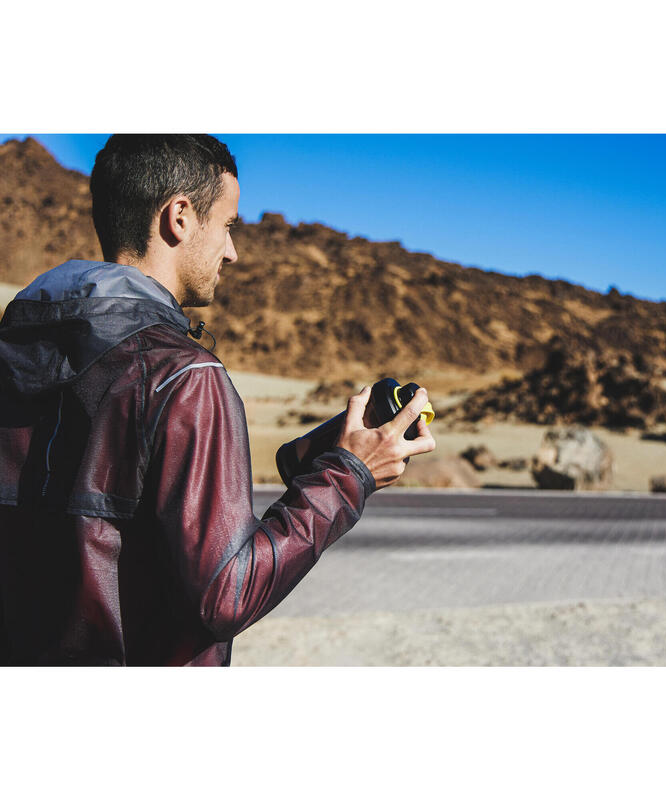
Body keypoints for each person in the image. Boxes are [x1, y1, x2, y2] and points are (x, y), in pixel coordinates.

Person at [0, 134, 435, 666]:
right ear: (179, 217)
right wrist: (349, 474)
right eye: (228, 225)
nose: (233, 250)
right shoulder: (184, 377)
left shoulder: (15, 350)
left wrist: (315, 458)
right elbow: (227, 594)